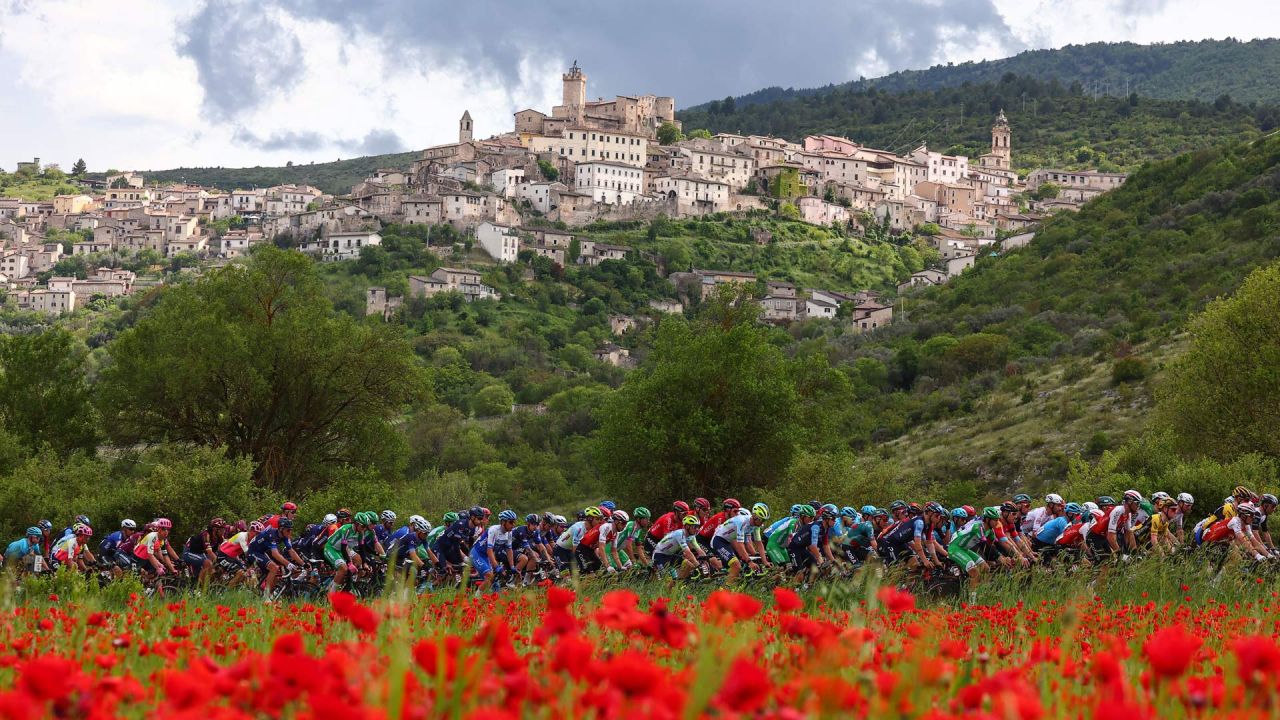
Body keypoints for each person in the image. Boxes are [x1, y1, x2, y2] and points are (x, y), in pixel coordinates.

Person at [948, 507, 1002, 603]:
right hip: (955, 548)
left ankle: (979, 592)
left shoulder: (990, 529)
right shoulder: (978, 527)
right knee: (975, 573)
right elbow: (985, 544)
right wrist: (1000, 557)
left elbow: (995, 543)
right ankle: (971, 603)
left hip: (964, 549)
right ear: (988, 519)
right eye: (995, 520)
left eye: (998, 520)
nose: (997, 523)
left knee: (986, 568)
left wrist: (1003, 556)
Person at [326, 511, 384, 588]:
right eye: (373, 523)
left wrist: (383, 555)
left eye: (375, 523)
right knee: (344, 568)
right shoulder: (348, 529)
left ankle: (352, 582)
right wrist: (349, 563)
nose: (375, 525)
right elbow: (345, 547)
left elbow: (369, 545)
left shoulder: (365, 531)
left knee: (360, 561)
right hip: (334, 548)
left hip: (348, 548)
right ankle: (332, 591)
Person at [712, 503, 769, 580]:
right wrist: (749, 562)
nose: (763, 523)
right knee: (736, 566)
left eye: (764, 520)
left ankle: (734, 585)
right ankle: (724, 590)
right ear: (755, 517)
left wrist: (765, 561)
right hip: (719, 540)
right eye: (762, 520)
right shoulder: (742, 521)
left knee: (741, 568)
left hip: (729, 541)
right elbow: (740, 544)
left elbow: (759, 543)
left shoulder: (756, 526)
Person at [248, 517, 303, 595]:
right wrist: (288, 564)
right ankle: (266, 596)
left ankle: (268, 594)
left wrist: (303, 564)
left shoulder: (284, 536)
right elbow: (275, 554)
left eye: (291, 530)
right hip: (252, 552)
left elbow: (292, 551)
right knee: (274, 567)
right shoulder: (272, 534)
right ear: (281, 529)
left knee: (276, 574)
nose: (290, 532)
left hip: (262, 552)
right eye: (288, 530)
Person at [471, 510, 516, 592]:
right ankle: (476, 599)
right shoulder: (493, 530)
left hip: (486, 556)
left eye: (514, 522)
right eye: (511, 522)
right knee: (489, 576)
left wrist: (512, 566)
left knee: (495, 582)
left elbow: (509, 550)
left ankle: (493, 600)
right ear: (503, 522)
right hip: (477, 553)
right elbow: (489, 550)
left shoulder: (509, 533)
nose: (513, 525)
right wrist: (497, 566)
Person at [651, 515, 703, 581]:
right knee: (669, 580)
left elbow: (699, 550)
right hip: (660, 555)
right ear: (687, 526)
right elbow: (688, 553)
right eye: (695, 527)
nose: (697, 529)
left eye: (698, 527)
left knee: (690, 566)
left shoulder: (692, 536)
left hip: (671, 555)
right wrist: (698, 565)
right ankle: (673, 583)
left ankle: (680, 583)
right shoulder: (680, 534)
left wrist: (707, 560)